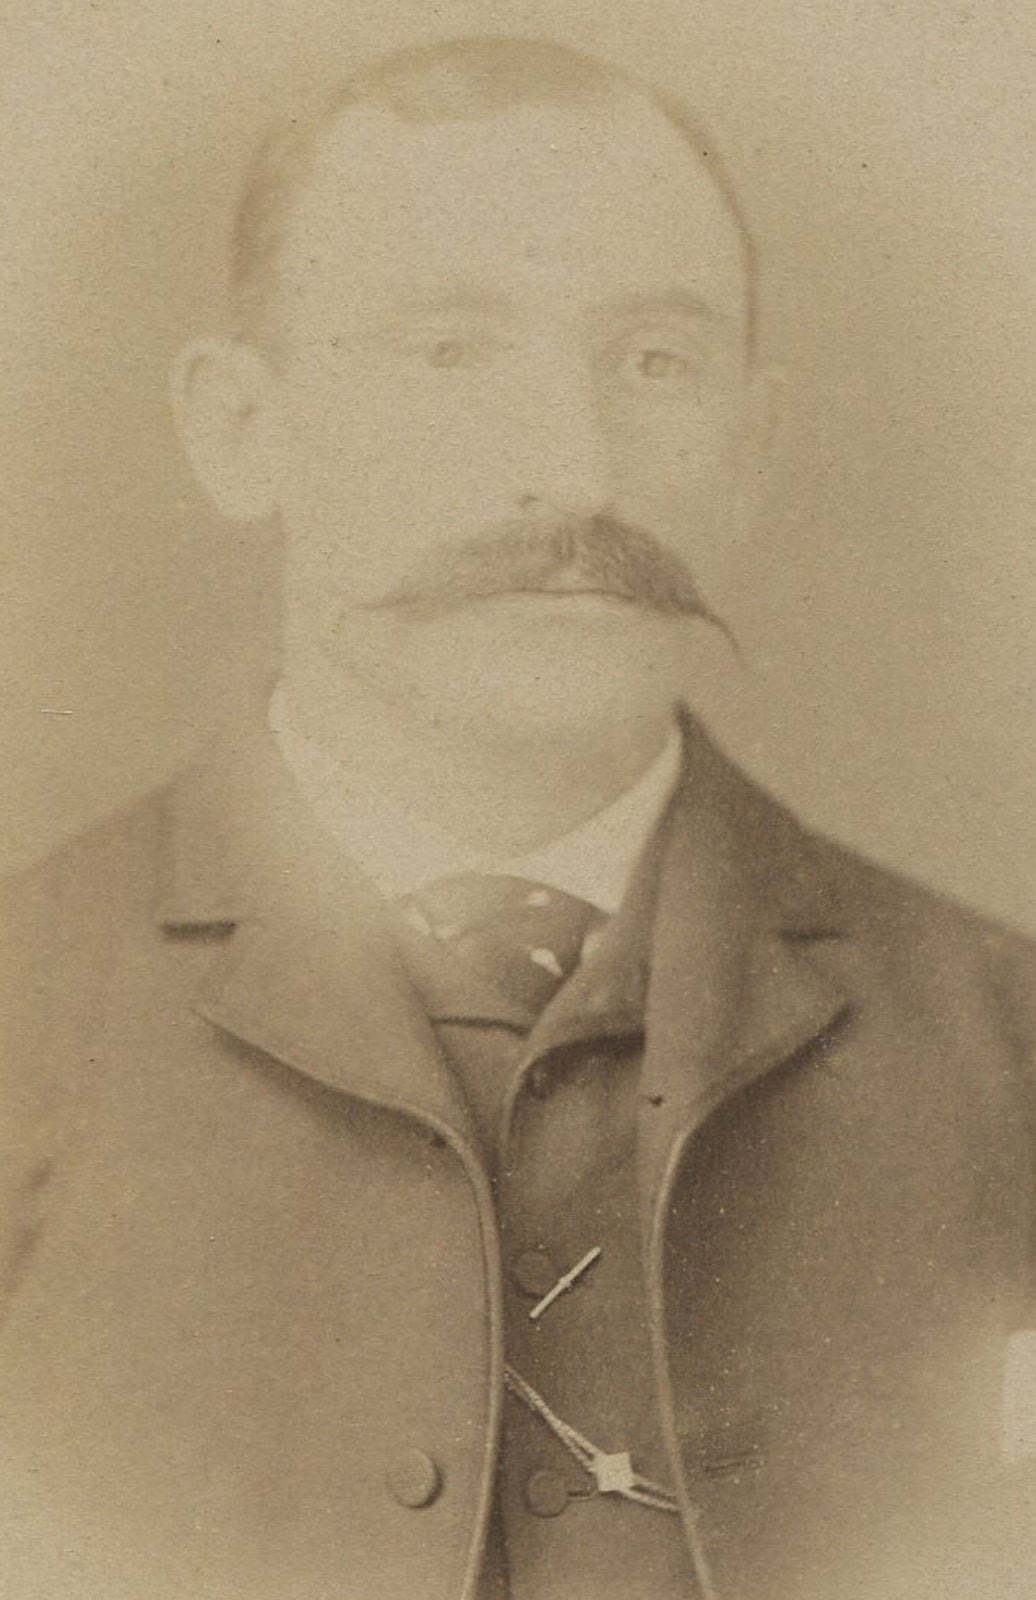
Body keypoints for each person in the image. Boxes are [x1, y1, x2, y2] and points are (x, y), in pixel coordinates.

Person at [1, 33, 1034, 1600]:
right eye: (449, 351)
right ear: (240, 429)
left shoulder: (1008, 1052)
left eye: (656, 362)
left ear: (751, 449)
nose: (574, 469)